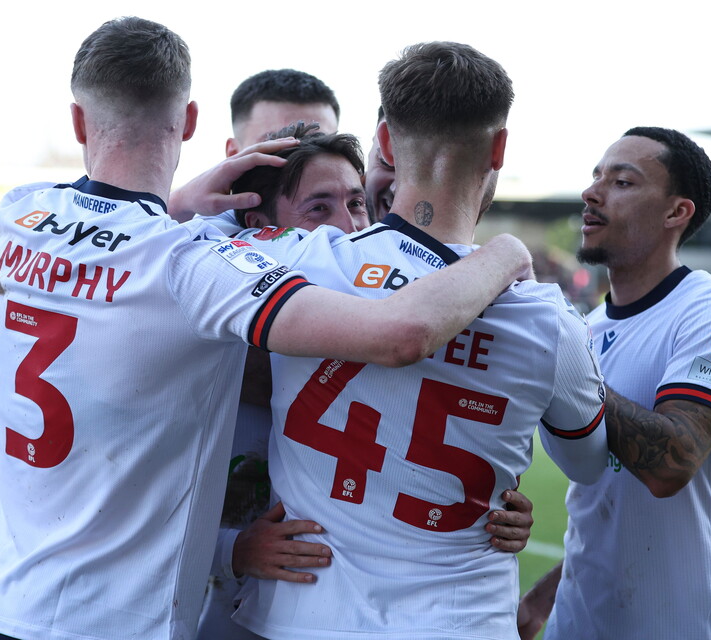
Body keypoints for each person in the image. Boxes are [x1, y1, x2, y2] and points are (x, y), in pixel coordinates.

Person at [0, 18, 535, 640]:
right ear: (190, 122)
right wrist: (504, 253)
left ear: (79, 122)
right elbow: (402, 334)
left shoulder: (20, 210)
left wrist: (179, 202)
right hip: (121, 622)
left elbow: (114, 236)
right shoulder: (195, 266)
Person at [227, 42, 608, 640]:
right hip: (461, 623)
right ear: (499, 149)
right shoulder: (548, 318)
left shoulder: (299, 260)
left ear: (382, 141)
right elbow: (587, 462)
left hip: (305, 616)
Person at [199, 122, 536, 640]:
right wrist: (230, 550)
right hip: (208, 612)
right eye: (318, 209)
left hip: (308, 610)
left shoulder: (387, 304)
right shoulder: (204, 334)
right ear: (254, 227)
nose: (346, 228)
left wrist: (487, 507)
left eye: (356, 204)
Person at [517, 128, 711, 639]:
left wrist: (563, 373)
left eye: (623, 182)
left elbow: (672, 463)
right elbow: (605, 499)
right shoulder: (584, 331)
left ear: (677, 212)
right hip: (578, 623)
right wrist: (544, 596)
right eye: (595, 177)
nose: (592, 192)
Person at [169, 69, 340, 223]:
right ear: (233, 153)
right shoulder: (208, 230)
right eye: (276, 143)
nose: (301, 157)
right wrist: (181, 203)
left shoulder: (362, 222)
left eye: (317, 141)